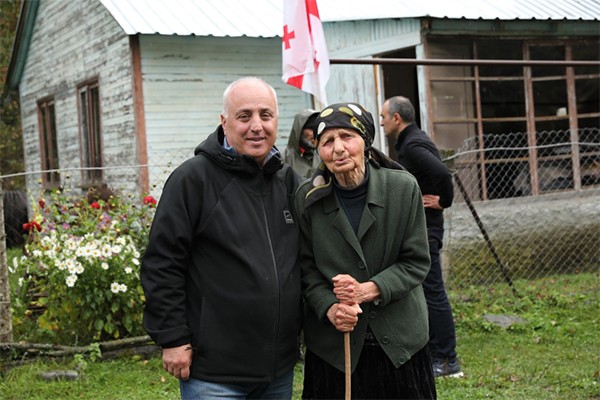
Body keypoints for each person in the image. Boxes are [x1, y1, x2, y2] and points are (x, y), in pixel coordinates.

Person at [141, 76, 303, 399]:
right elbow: (162, 263)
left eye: (265, 115)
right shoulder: (193, 179)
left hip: (278, 369)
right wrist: (172, 337)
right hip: (214, 372)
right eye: (245, 116)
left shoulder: (287, 181)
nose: (257, 126)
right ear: (224, 121)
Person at [296, 102, 437, 399]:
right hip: (334, 349)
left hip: (401, 343)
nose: (338, 149)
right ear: (318, 150)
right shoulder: (307, 198)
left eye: (347, 136)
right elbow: (305, 269)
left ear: (366, 141)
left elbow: (415, 261)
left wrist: (367, 290)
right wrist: (330, 307)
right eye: (327, 141)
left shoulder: (402, 188)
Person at [380, 95, 462, 378]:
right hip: (425, 227)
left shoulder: (413, 145)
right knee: (426, 291)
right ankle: (436, 353)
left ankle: (447, 359)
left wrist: (443, 201)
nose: (381, 122)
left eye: (383, 117)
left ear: (396, 119)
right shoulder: (412, 141)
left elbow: (441, 172)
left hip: (428, 228)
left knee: (433, 291)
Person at [284, 109, 320, 179]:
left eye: (316, 129)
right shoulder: (285, 158)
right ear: (299, 130)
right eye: (311, 129)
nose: (315, 133)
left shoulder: (323, 155)